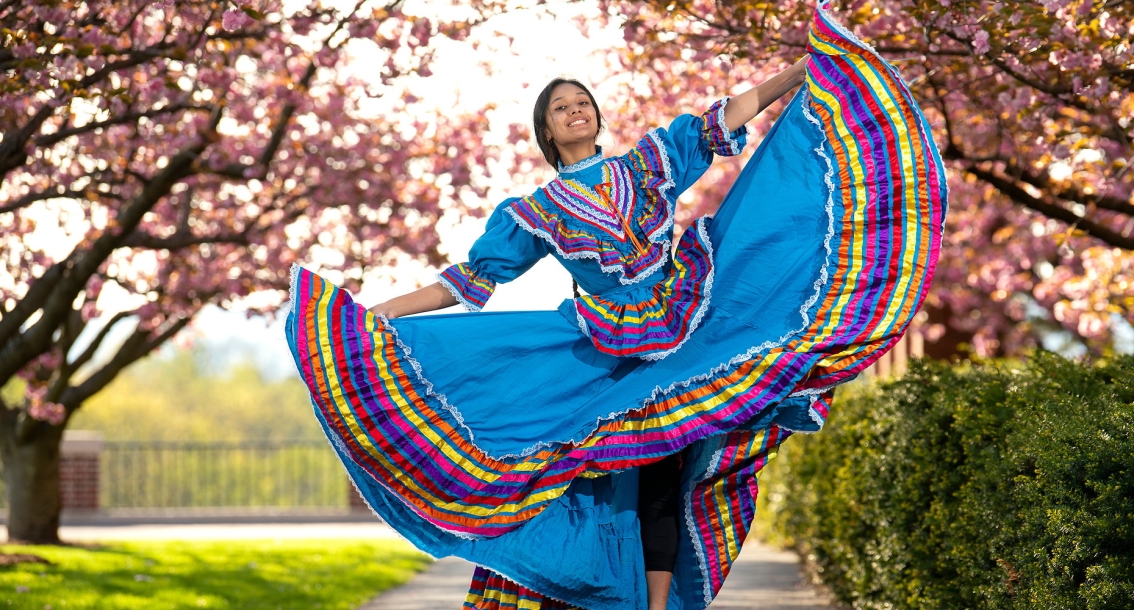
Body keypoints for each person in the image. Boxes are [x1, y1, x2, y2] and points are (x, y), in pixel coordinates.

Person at [285, 4, 946, 609]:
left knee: (670, 460)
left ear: (596, 116)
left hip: (688, 324)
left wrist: (801, 71)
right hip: (603, 351)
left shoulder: (648, 162)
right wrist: (378, 316)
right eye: (561, 107)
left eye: (583, 102)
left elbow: (724, 116)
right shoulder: (533, 211)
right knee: (585, 472)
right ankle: (571, 584)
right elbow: (470, 282)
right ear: (547, 129)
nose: (575, 110)